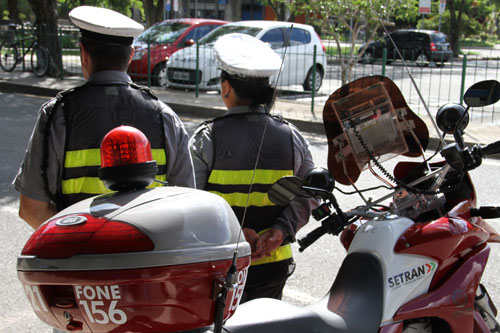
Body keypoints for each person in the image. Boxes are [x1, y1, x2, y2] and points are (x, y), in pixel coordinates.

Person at [13, 6, 195, 230]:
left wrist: (81, 246)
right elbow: (186, 206)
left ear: (83, 53)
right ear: (130, 56)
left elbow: (31, 208)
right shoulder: (165, 117)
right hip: (149, 262)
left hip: (78, 262)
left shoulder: (57, 115)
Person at [189, 33, 318, 302]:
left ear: (227, 88)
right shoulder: (293, 137)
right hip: (274, 263)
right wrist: (280, 231)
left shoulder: (206, 138)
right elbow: (311, 190)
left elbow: (188, 202)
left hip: (220, 267)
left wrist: (233, 232)